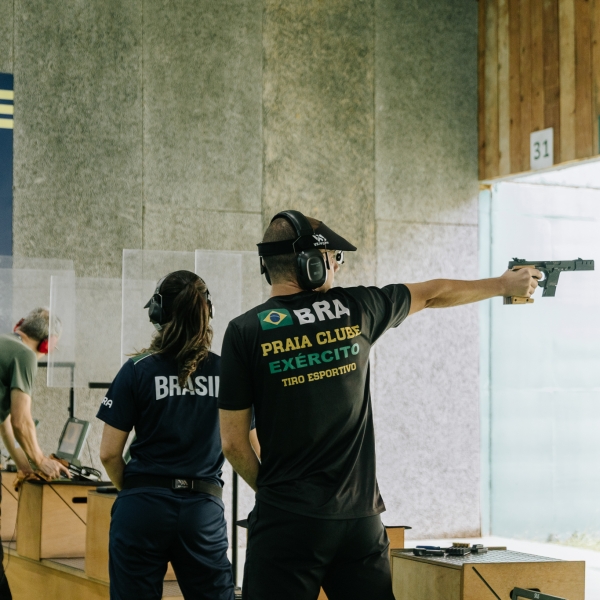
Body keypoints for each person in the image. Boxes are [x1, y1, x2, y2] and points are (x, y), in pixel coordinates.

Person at [218, 210, 541, 600]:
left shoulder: (244, 331)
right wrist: (504, 284)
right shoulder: (358, 307)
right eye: (333, 258)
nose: (337, 266)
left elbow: (233, 444)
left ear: (265, 266)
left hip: (286, 522)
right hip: (359, 521)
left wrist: (276, 496)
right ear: (312, 264)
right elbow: (434, 292)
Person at [97, 270, 238, 600]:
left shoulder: (137, 369)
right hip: (202, 510)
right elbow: (246, 444)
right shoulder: (228, 372)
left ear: (158, 313)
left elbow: (108, 453)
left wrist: (134, 491)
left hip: (142, 508)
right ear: (208, 312)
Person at [0, 307, 69, 599]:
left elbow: (4, 423)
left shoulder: (4, 345)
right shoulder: (24, 356)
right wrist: (40, 459)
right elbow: (21, 420)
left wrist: (25, 465)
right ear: (47, 344)